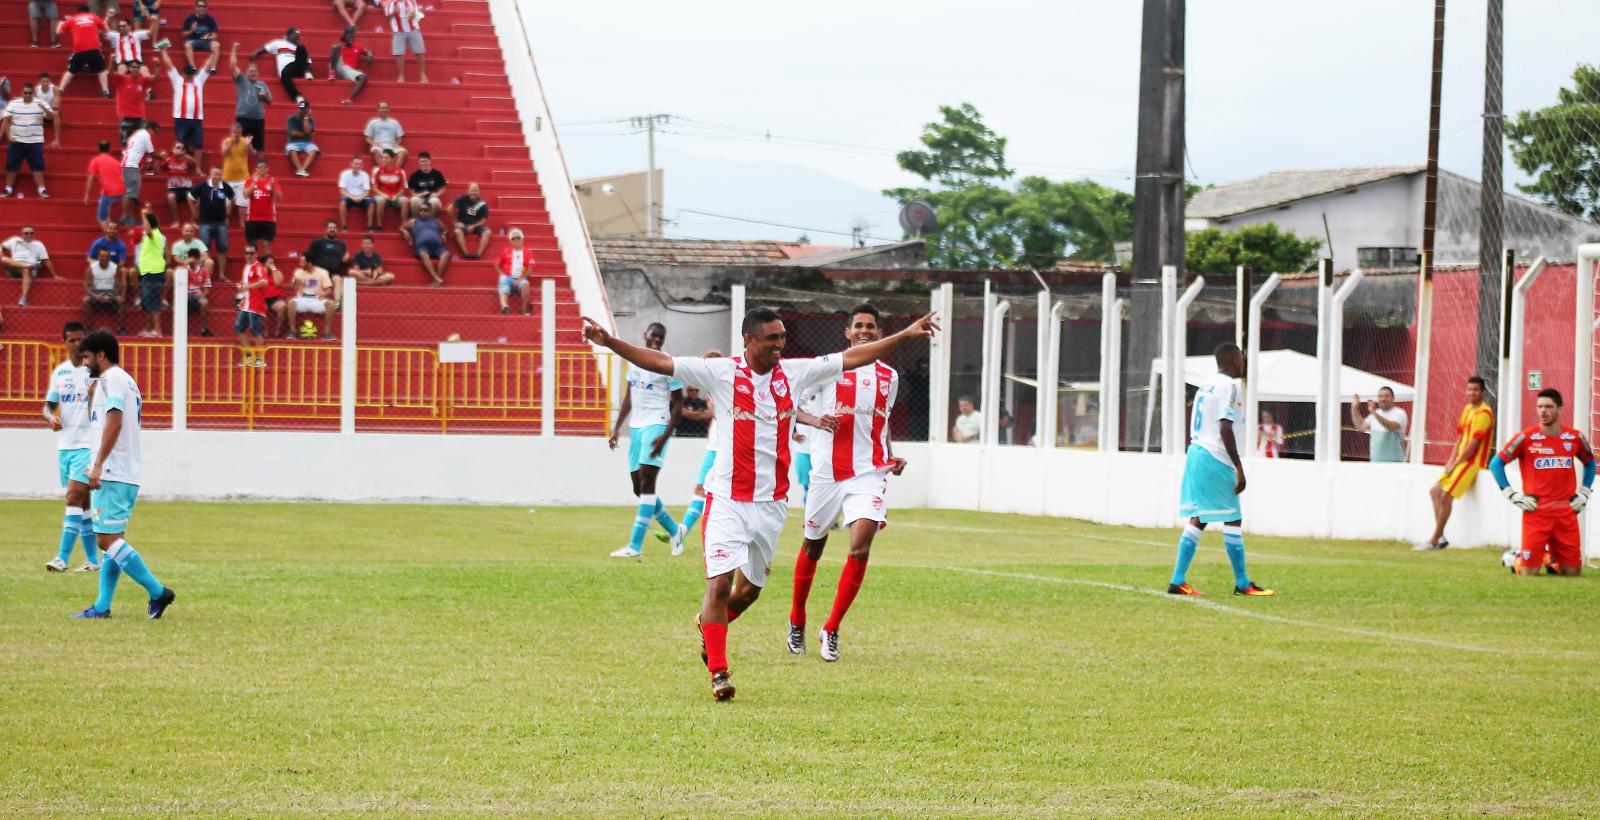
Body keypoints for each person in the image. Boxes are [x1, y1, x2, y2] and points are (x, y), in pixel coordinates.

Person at [582, 307, 937, 701]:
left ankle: (709, 627)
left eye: (783, 337)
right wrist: (610, 342)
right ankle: (719, 672)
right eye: (773, 338)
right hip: (727, 500)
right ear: (749, 340)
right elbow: (662, 362)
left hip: (771, 505)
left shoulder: (796, 373)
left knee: (748, 592)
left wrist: (905, 334)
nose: (780, 345)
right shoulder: (720, 373)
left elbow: (853, 357)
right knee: (718, 585)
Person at [787, 304, 910, 661]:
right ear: (847, 332)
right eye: (858, 326)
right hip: (826, 472)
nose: (865, 331)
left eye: (871, 326)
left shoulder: (889, 376)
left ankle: (832, 627)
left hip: (868, 472)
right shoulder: (828, 368)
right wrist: (813, 420)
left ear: (879, 332)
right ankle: (797, 618)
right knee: (813, 545)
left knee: (860, 545)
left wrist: (891, 457)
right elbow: (788, 402)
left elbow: (881, 425)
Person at [70, 330, 179, 620]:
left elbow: (115, 422)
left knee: (106, 540)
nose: (84, 362)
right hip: (124, 471)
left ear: (101, 355)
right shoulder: (123, 380)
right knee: (112, 541)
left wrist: (97, 465)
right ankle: (102, 607)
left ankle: (158, 592)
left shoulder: (112, 380)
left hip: (113, 471)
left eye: (87, 356)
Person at [1167, 342, 1274, 598]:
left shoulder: (1207, 383)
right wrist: (1239, 467)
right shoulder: (1230, 386)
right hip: (1215, 456)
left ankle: (1177, 580)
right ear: (1235, 361)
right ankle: (1243, 583)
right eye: (1242, 359)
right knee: (1232, 517)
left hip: (1196, 452)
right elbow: (1225, 427)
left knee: (1201, 517)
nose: (1243, 364)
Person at [1489, 388, 1594, 577]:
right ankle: (1514, 559)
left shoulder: (1575, 437)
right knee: (1529, 573)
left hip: (1566, 512)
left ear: (1560, 409)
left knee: (1572, 573)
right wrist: (1512, 495)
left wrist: (1585, 492)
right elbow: (1496, 464)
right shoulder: (1525, 438)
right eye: (1539, 407)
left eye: (1548, 407)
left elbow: (1590, 463)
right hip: (1536, 511)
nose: (1543, 411)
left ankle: (1548, 558)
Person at [605, 322, 686, 559]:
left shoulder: (667, 364)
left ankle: (635, 545)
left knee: (647, 482)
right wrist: (617, 428)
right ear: (645, 335)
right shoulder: (635, 361)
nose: (656, 340)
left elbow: (679, 403)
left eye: (661, 337)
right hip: (637, 427)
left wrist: (665, 434)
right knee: (638, 487)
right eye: (653, 336)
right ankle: (675, 530)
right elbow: (630, 397)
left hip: (656, 424)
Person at [43, 323, 101, 574]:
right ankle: (93, 560)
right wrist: (50, 419)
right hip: (66, 445)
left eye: (81, 340)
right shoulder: (60, 372)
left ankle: (62, 557)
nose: (77, 344)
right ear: (64, 342)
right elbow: (47, 406)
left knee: (74, 495)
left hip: (87, 445)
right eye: (72, 340)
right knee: (84, 504)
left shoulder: (94, 373)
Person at [1419, 375, 1495, 551]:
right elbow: (1460, 437)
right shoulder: (1467, 409)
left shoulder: (1484, 413)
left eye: (1475, 390)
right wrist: (1450, 460)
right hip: (1460, 461)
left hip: (1473, 462)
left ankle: (1434, 539)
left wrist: (1456, 463)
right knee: (1434, 491)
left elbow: (1474, 445)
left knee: (1446, 496)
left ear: (1482, 392)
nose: (1471, 393)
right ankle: (1441, 536)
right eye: (1469, 389)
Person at [679, 350, 722, 536]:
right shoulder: (712, 390)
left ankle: (712, 538)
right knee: (700, 488)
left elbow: (713, 411)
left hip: (724, 449)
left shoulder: (725, 386)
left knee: (715, 494)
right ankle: (682, 532)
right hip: (713, 446)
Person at [159, 47, 218, 159]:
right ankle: (179, 164)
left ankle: (197, 168)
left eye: (192, 74)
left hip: (197, 118)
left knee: (198, 143)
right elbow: (169, 64)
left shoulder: (198, 80)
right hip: (181, 118)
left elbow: (206, 67)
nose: (191, 76)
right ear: (184, 74)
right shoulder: (178, 80)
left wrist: (212, 55)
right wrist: (163, 51)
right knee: (181, 143)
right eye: (189, 74)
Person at [1, 83, 58, 198]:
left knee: (37, 166)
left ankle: (42, 190)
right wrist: (9, 135)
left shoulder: (41, 103)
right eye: (25, 93)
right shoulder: (14, 103)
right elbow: (6, 120)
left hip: (35, 141)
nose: (27, 95)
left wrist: (44, 110)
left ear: (33, 93)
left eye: (29, 93)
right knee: (12, 166)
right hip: (17, 141)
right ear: (22, 93)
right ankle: (8, 189)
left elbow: (51, 117)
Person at [58, 5, 111, 98]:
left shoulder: (73, 19)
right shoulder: (94, 17)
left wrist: (61, 23)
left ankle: (61, 90)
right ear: (88, 11)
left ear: (78, 12)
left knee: (70, 72)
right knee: (101, 71)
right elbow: (107, 30)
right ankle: (105, 91)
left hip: (79, 51)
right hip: (94, 50)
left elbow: (58, 32)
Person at [189, 167, 232, 281]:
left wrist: (228, 214)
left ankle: (222, 275)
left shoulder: (225, 187)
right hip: (205, 223)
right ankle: (202, 275)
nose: (217, 177)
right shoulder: (202, 186)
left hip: (221, 223)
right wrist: (195, 212)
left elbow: (232, 198)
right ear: (210, 174)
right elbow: (190, 197)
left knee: (222, 248)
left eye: (219, 174)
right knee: (204, 249)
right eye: (215, 174)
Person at [228, 43, 271, 149]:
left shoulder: (262, 84)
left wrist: (264, 97)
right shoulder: (242, 80)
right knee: (239, 146)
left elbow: (270, 101)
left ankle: (260, 166)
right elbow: (232, 66)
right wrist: (234, 49)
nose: (253, 73)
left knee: (260, 147)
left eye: (255, 71)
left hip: (258, 119)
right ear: (246, 73)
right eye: (251, 71)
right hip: (243, 118)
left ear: (258, 73)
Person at [1350, 387, 1407, 463]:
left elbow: (1391, 427)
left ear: (1393, 398)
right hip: (1376, 462)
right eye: (1380, 396)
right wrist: (1354, 408)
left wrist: (1374, 413)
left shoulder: (1399, 413)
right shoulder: (1376, 413)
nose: (1383, 399)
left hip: (1395, 463)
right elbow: (1360, 426)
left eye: (1386, 396)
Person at [4, 226, 58, 306]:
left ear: (34, 234)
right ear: (21, 234)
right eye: (26, 233)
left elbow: (46, 260)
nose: (29, 235)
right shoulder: (15, 240)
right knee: (4, 259)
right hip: (14, 267)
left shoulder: (38, 244)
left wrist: (55, 275)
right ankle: (29, 267)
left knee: (25, 269)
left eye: (31, 233)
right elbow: (1, 247)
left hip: (28, 270)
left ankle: (23, 298)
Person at [234, 243, 269, 366]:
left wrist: (249, 286)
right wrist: (241, 289)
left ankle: (260, 358)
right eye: (247, 253)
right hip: (246, 303)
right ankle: (249, 356)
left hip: (255, 304)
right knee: (239, 328)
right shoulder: (247, 267)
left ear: (256, 254)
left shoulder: (258, 267)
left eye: (251, 253)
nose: (249, 255)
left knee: (256, 331)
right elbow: (245, 284)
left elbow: (264, 282)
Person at [256, 27, 310, 105]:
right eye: (296, 35)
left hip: (298, 67)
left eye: (299, 36)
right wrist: (256, 53)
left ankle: (307, 73)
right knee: (284, 73)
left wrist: (308, 70)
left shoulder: (299, 47)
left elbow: (308, 62)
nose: (298, 37)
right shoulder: (278, 43)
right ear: (288, 35)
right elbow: (264, 50)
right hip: (287, 69)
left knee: (302, 47)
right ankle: (298, 96)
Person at [285, 257, 336, 340]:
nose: (300, 264)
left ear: (310, 263)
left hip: (317, 299)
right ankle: (293, 331)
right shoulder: (298, 272)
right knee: (291, 303)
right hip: (302, 299)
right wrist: (294, 282)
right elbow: (293, 287)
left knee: (330, 304)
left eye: (303, 262)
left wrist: (323, 294)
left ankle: (327, 332)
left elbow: (329, 290)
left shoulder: (322, 272)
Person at [400, 200, 449, 286]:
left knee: (446, 255)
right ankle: (436, 278)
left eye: (425, 210)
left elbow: (446, 229)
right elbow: (401, 227)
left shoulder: (436, 221)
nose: (423, 212)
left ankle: (436, 280)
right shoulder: (414, 221)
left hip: (437, 247)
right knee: (423, 254)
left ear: (430, 212)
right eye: (421, 210)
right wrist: (405, 231)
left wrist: (444, 234)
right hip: (423, 247)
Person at [133, 206, 165, 336]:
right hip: (147, 272)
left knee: (154, 301)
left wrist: (144, 215)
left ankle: (158, 330)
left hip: (153, 272)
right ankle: (149, 328)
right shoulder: (150, 236)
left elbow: (148, 230)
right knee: (147, 301)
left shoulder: (155, 234)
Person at [119, 119, 156, 223]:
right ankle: (125, 216)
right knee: (130, 193)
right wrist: (162, 157)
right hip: (131, 166)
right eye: (155, 132)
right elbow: (152, 152)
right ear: (151, 129)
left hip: (128, 165)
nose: (154, 135)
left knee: (131, 193)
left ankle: (128, 216)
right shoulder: (145, 134)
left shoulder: (137, 134)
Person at [382, 0, 428, 83]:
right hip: (398, 31)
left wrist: (413, 15)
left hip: (413, 29)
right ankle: (401, 76)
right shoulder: (390, 3)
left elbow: (416, 14)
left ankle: (423, 75)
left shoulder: (411, 1)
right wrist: (394, 13)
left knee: (419, 52)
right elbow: (387, 17)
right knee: (399, 54)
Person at [82, 246, 127, 332]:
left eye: (107, 256)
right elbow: (86, 286)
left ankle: (121, 327)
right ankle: (89, 327)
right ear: (98, 257)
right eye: (102, 256)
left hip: (111, 293)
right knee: (86, 300)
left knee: (120, 300)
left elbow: (119, 285)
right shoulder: (91, 268)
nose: (104, 258)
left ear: (109, 257)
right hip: (96, 293)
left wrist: (112, 294)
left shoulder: (115, 268)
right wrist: (95, 296)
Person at [109, 62, 155, 144]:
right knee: (125, 140)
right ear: (129, 69)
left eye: (138, 67)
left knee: (142, 140)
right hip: (125, 115)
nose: (136, 69)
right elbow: (110, 73)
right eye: (134, 67)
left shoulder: (142, 80)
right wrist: (111, 60)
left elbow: (155, 78)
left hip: (139, 115)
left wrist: (157, 67)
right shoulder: (122, 79)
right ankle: (125, 155)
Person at [242, 160, 281, 255]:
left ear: (268, 169)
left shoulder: (273, 181)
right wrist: (254, 183)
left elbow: (279, 198)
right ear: (256, 169)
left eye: (264, 167)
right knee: (252, 245)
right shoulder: (250, 180)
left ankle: (266, 266)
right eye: (259, 167)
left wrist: (273, 188)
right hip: (252, 218)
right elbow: (246, 195)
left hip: (268, 218)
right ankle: (252, 266)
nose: (262, 169)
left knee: (266, 243)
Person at [304, 220, 349, 301]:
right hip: (320, 272)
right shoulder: (317, 242)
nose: (332, 229)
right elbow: (308, 257)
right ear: (325, 230)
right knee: (314, 281)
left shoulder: (341, 243)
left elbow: (345, 256)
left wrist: (346, 256)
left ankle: (337, 303)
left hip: (334, 273)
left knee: (338, 280)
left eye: (334, 228)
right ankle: (313, 301)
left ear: (337, 230)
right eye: (330, 228)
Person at [217, 122, 253, 224]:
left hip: (243, 178)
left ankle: (243, 224)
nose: (236, 134)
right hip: (228, 178)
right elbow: (224, 153)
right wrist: (232, 142)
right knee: (227, 204)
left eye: (238, 132)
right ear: (231, 132)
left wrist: (249, 146)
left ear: (241, 132)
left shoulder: (245, 142)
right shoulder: (226, 142)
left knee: (243, 204)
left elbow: (251, 153)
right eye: (234, 132)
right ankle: (225, 221)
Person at [328, 25, 372, 104]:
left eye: (353, 37)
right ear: (344, 37)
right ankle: (332, 72)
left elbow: (368, 54)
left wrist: (369, 54)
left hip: (349, 72)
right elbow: (332, 59)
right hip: (339, 68)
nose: (351, 39)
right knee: (335, 47)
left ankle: (349, 98)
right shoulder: (340, 48)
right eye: (349, 37)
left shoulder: (358, 47)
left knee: (363, 77)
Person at [83, 140, 125, 222]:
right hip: (120, 190)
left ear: (99, 149)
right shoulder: (116, 162)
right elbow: (123, 178)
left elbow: (91, 179)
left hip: (108, 191)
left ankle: (108, 230)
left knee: (101, 218)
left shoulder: (95, 161)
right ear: (110, 149)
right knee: (107, 207)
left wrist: (87, 194)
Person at [495, 227, 533, 314]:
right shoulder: (506, 251)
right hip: (508, 276)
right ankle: (504, 306)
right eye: (513, 238)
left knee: (526, 284)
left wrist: (520, 278)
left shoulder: (528, 252)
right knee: (502, 280)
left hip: (520, 277)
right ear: (510, 241)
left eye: (518, 237)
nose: (516, 240)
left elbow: (530, 270)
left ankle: (525, 308)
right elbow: (497, 265)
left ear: (522, 239)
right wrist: (502, 274)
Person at [159, 142, 198, 226]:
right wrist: (159, 158)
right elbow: (158, 170)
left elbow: (195, 165)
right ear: (173, 149)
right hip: (174, 188)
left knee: (197, 197)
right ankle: (176, 221)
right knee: (170, 196)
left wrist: (184, 156)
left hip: (187, 188)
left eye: (182, 148)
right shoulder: (168, 160)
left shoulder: (187, 159)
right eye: (178, 147)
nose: (180, 149)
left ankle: (192, 221)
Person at [178, 247, 214, 335]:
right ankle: (182, 330)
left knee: (204, 302)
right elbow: (178, 279)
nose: (193, 260)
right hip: (185, 295)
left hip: (197, 296)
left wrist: (202, 294)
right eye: (191, 257)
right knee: (182, 301)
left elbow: (207, 289)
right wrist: (186, 263)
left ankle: (204, 329)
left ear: (198, 259)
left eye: (195, 258)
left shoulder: (203, 271)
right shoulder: (184, 269)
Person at [450, 182, 489, 258]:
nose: (473, 192)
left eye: (475, 190)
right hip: (463, 224)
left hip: (476, 225)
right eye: (472, 190)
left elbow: (484, 220)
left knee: (487, 232)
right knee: (457, 232)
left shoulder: (482, 203)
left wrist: (473, 226)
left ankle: (478, 255)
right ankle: (466, 254)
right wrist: (455, 222)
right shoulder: (462, 199)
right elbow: (449, 208)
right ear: (468, 191)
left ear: (479, 192)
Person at [282, 100, 320, 177]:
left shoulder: (311, 119)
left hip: (307, 143)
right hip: (293, 142)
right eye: (300, 109)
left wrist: (306, 119)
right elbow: (293, 133)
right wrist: (306, 134)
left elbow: (307, 130)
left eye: (304, 109)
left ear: (308, 109)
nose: (301, 111)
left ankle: (302, 170)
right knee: (292, 150)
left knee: (314, 150)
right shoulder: (291, 118)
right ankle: (300, 169)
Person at [362, 101, 406, 167]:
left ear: (388, 109)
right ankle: (384, 171)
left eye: (385, 108)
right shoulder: (372, 122)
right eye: (382, 108)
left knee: (403, 152)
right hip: (378, 146)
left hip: (392, 146)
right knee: (375, 151)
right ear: (378, 109)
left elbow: (400, 138)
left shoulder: (395, 122)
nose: (384, 110)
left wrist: (397, 144)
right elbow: (367, 138)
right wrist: (373, 144)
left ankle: (395, 172)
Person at [370, 149, 406, 228]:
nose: (383, 160)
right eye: (383, 157)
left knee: (405, 201)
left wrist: (396, 196)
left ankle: (404, 225)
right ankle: (379, 225)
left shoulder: (400, 171)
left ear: (392, 159)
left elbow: (402, 189)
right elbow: (374, 188)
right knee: (380, 200)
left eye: (386, 158)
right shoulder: (377, 170)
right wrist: (383, 195)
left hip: (395, 196)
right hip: (381, 194)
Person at [179, 0, 218, 71]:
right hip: (193, 41)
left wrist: (208, 37)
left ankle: (213, 69)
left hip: (206, 42)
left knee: (216, 45)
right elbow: (183, 35)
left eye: (204, 6)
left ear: (206, 8)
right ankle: (193, 68)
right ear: (195, 7)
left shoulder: (210, 19)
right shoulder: (189, 19)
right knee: (187, 45)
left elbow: (215, 35)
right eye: (199, 6)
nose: (202, 8)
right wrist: (191, 30)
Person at [337, 156, 374, 231]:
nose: (357, 166)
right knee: (343, 202)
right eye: (356, 164)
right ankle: (344, 226)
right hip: (349, 197)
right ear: (351, 164)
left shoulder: (365, 175)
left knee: (371, 203)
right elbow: (342, 191)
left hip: (361, 197)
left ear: (362, 165)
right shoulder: (344, 174)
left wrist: (361, 197)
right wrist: (351, 197)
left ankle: (369, 227)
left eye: (360, 164)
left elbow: (367, 192)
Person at [405, 151, 446, 216]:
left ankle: (431, 222)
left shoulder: (437, 174)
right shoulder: (414, 175)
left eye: (425, 161)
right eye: (421, 161)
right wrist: (418, 195)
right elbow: (412, 192)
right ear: (418, 162)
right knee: (414, 200)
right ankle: (418, 221)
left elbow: (443, 188)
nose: (423, 163)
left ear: (430, 161)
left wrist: (437, 194)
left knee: (434, 201)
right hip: (420, 197)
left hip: (432, 197)